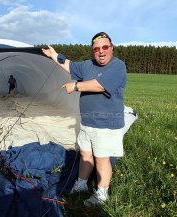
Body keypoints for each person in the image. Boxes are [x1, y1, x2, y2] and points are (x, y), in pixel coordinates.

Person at [42, 32, 127, 206]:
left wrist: (75, 85)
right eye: (97, 49)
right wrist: (53, 55)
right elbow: (69, 65)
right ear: (92, 51)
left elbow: (100, 85)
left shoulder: (118, 66)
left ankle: (102, 194)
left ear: (111, 48)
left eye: (105, 47)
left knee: (102, 158)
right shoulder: (88, 65)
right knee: (85, 154)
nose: (101, 52)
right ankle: (81, 184)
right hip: (88, 122)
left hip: (106, 124)